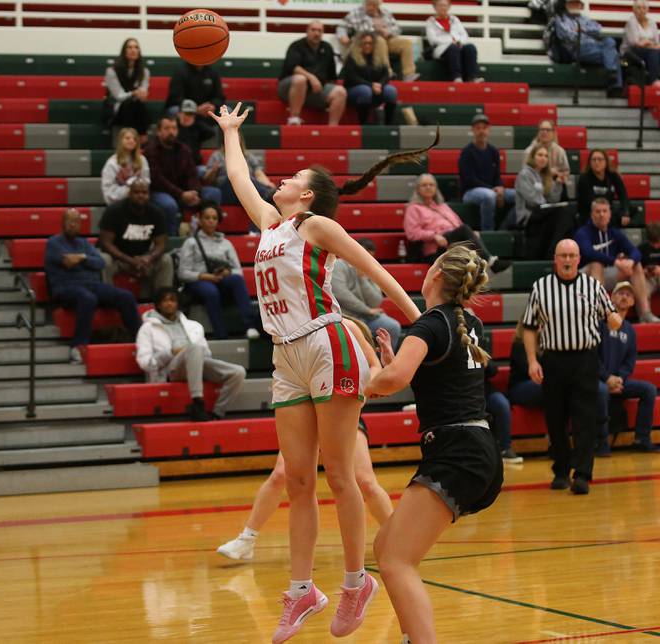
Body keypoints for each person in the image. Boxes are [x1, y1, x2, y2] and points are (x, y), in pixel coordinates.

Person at [210, 102, 425, 643]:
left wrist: (424, 325)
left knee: (339, 476)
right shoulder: (268, 222)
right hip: (285, 356)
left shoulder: (317, 225)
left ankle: (356, 583)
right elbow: (238, 175)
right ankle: (302, 589)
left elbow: (374, 270)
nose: (279, 180)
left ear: (306, 195)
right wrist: (231, 132)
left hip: (328, 344)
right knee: (298, 479)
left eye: (292, 177)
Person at [366, 244, 503, 644]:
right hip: (475, 447)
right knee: (385, 545)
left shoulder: (430, 324)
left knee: (395, 559)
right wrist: (395, 361)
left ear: (438, 276)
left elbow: (393, 381)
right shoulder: (469, 323)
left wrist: (361, 384)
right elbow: (433, 374)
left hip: (457, 451)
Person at [217, 319, 395, 561]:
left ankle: (398, 538)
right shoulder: (297, 333)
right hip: (306, 415)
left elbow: (375, 368)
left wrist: (364, 388)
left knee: (364, 480)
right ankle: (247, 539)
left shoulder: (345, 327)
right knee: (282, 474)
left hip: (339, 414)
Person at [522, 239, 622, 495]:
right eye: (563, 255)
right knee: (555, 418)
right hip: (553, 360)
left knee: (585, 419)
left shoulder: (593, 286)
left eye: (572, 255)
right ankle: (560, 471)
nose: (567, 260)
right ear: (555, 258)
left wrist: (615, 319)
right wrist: (533, 360)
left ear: (579, 259)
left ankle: (583, 475)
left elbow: (613, 319)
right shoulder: (540, 288)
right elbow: (530, 328)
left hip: (585, 360)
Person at [44, 208, 141, 364]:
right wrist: (85, 260)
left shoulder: (84, 244)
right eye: (70, 221)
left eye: (76, 221)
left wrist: (82, 258)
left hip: (91, 285)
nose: (73, 225)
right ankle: (78, 347)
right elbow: (67, 262)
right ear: (63, 223)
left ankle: (141, 341)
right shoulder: (54, 243)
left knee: (126, 296)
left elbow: (100, 263)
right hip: (65, 287)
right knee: (87, 298)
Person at [135, 287, 246, 422]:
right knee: (193, 348)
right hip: (171, 369)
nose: (169, 303)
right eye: (164, 301)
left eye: (172, 300)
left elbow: (206, 353)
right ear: (158, 304)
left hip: (196, 362)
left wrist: (193, 352)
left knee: (238, 372)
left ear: (178, 303)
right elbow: (145, 362)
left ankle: (217, 413)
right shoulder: (147, 328)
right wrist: (170, 353)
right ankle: (198, 402)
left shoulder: (194, 326)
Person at [177, 202, 260, 340]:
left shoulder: (225, 243)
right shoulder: (191, 242)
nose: (210, 221)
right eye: (207, 217)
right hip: (199, 282)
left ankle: (250, 326)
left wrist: (227, 273)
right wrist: (206, 276)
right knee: (211, 291)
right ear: (200, 219)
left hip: (221, 280)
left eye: (214, 218)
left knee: (237, 280)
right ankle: (221, 334)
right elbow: (183, 273)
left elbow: (237, 271)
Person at [596, 281, 659, 454]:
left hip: (618, 381)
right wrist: (606, 378)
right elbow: (591, 356)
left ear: (632, 302)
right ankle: (601, 444)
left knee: (649, 390)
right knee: (601, 391)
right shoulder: (599, 322)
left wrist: (620, 379)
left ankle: (641, 439)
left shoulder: (630, 330)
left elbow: (629, 361)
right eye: (620, 293)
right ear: (612, 298)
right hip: (597, 380)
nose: (624, 297)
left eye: (628, 295)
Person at [574, 198, 659, 323]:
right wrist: (616, 262)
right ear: (592, 215)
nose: (601, 214)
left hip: (608, 275)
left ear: (609, 214)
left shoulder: (614, 233)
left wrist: (630, 262)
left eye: (604, 211)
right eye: (598, 211)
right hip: (585, 277)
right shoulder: (583, 233)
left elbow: (635, 252)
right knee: (597, 264)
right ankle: (597, 315)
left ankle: (645, 314)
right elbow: (588, 253)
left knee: (636, 265)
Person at [403, 173, 510, 272]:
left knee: (469, 233)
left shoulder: (442, 206)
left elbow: (457, 224)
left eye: (431, 185)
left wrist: (471, 234)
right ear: (417, 189)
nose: (428, 187)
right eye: (424, 185)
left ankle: (483, 266)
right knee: (464, 230)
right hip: (436, 246)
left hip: (454, 242)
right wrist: (434, 236)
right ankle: (490, 262)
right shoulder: (413, 208)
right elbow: (412, 233)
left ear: (436, 188)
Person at [144, 116, 222, 236]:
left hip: (184, 192)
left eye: (174, 128)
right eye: (167, 128)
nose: (171, 132)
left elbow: (192, 174)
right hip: (159, 192)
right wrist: (182, 194)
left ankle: (207, 235)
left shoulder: (183, 149)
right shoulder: (151, 149)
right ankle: (171, 240)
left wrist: (195, 192)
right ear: (158, 131)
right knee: (169, 205)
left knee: (213, 193)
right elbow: (157, 179)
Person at [98, 179, 174, 296]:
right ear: (129, 193)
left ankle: (163, 303)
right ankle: (107, 299)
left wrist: (149, 258)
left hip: (143, 259)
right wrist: (129, 260)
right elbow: (106, 243)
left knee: (166, 260)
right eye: (137, 192)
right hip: (119, 259)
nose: (141, 196)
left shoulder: (156, 213)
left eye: (144, 193)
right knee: (104, 259)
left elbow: (161, 243)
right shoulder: (114, 211)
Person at [331, 239, 402, 346]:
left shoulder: (368, 269)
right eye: (363, 255)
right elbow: (341, 294)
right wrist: (367, 310)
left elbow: (376, 301)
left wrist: (363, 279)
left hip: (366, 317)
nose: (365, 259)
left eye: (369, 257)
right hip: (346, 316)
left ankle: (383, 362)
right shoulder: (339, 265)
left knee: (392, 326)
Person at [278, 21, 347, 126]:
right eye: (313, 30)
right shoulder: (297, 45)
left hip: (314, 91)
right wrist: (311, 78)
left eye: (319, 31)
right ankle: (294, 118)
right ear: (307, 31)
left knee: (340, 91)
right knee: (301, 79)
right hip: (290, 88)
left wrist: (327, 89)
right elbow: (292, 67)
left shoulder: (327, 47)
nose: (316, 33)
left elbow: (331, 75)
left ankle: (333, 128)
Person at [514, 145, 575, 260]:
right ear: (533, 157)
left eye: (546, 156)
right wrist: (548, 205)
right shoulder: (524, 174)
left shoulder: (544, 176)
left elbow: (553, 199)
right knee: (563, 214)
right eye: (540, 155)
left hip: (542, 212)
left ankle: (558, 251)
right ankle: (554, 252)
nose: (543, 158)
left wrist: (557, 183)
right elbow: (531, 200)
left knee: (566, 214)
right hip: (528, 215)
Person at [336, 0, 420, 82]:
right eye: (368, 4)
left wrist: (387, 31)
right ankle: (388, 73)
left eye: (373, 5)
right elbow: (341, 27)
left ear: (378, 5)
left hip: (387, 39)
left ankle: (408, 74)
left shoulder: (385, 13)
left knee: (406, 43)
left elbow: (397, 28)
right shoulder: (356, 13)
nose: (370, 7)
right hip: (367, 43)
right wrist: (343, 36)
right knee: (380, 41)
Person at [459, 114, 516, 231]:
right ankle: (488, 232)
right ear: (473, 130)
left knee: (519, 195)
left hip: (492, 189)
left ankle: (505, 227)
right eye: (478, 128)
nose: (481, 131)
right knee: (489, 196)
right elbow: (469, 179)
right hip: (470, 192)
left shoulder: (494, 151)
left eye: (484, 128)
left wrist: (499, 187)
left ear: (488, 130)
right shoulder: (466, 152)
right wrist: (493, 190)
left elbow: (497, 175)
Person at [554, 0, 623, 96]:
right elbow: (569, 36)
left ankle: (611, 73)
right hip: (578, 48)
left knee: (609, 41)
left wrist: (583, 29)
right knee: (614, 54)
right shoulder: (561, 19)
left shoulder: (584, 18)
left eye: (577, 3)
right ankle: (615, 84)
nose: (575, 5)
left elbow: (598, 29)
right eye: (572, 3)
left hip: (595, 46)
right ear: (566, 5)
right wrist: (584, 31)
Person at [340, 32, 399, 125]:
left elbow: (386, 75)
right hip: (354, 90)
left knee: (391, 91)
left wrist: (380, 84)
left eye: (370, 43)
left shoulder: (379, 57)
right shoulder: (351, 58)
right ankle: (363, 123)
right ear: (359, 44)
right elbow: (352, 77)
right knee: (365, 91)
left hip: (376, 88)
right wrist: (371, 85)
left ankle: (388, 124)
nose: (367, 46)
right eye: (365, 43)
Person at [203, 131, 275, 206]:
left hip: (247, 188)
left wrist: (267, 184)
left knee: (246, 179)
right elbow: (207, 180)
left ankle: (268, 193)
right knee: (236, 176)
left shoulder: (248, 156)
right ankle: (267, 195)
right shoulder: (217, 156)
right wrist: (213, 171)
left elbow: (259, 173)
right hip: (227, 189)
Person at [426, 0, 484, 83]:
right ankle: (457, 77)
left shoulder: (455, 19)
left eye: (445, 5)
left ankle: (472, 77)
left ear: (449, 7)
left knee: (470, 48)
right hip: (442, 48)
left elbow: (464, 34)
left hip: (458, 45)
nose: (443, 8)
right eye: (440, 5)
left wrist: (459, 42)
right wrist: (450, 42)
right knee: (453, 48)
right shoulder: (430, 22)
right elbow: (432, 39)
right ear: (435, 7)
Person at [104, 38, 150, 139]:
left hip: (136, 106)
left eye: (136, 47)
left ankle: (140, 136)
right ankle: (138, 136)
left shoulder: (144, 71)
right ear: (124, 51)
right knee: (130, 104)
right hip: (117, 107)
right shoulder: (112, 71)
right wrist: (134, 93)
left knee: (138, 104)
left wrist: (140, 94)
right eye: (129, 47)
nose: (133, 50)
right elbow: (119, 96)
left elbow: (143, 92)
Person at [576, 149, 631, 226]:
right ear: (590, 163)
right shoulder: (584, 178)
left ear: (606, 162)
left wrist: (625, 212)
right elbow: (589, 203)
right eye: (594, 160)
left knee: (629, 211)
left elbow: (623, 195)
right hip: (590, 215)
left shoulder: (613, 176)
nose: (597, 162)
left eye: (600, 159)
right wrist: (605, 212)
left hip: (608, 212)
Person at [484, 358, 524, 464]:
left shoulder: (480, 343)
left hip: (484, 390)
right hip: (464, 393)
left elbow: (494, 370)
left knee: (502, 404)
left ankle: (505, 449)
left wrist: (486, 364)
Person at [100, 127, 150, 206]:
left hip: (139, 202)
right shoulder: (112, 163)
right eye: (127, 138)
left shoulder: (142, 160)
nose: (131, 141)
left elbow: (146, 182)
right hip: (118, 202)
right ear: (120, 141)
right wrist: (129, 187)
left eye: (134, 139)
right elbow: (108, 191)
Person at [622, 0, 660, 86]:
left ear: (647, 10)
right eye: (638, 8)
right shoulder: (631, 22)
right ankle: (654, 80)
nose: (641, 10)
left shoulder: (652, 23)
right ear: (634, 10)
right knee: (653, 53)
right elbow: (635, 42)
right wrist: (650, 44)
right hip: (631, 52)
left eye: (644, 8)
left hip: (648, 50)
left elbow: (657, 41)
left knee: (656, 52)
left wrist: (646, 42)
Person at [507, 321, 544, 410]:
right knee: (549, 387)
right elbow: (529, 371)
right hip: (519, 387)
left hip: (539, 384)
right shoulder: (519, 345)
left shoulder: (545, 344)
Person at [523, 119, 571, 186]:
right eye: (542, 129)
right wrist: (547, 172)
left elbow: (566, 172)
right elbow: (524, 174)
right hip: (534, 185)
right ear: (538, 132)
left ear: (553, 133)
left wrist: (559, 175)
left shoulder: (560, 151)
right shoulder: (529, 151)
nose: (544, 132)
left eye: (548, 130)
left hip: (555, 184)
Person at [177, 99, 217, 169]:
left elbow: (211, 132)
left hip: (195, 165)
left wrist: (195, 121)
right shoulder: (174, 127)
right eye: (186, 114)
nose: (189, 117)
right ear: (179, 113)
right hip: (177, 165)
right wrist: (181, 124)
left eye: (191, 114)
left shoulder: (197, 127)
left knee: (203, 170)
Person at [638, 222, 660, 299]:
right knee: (643, 292)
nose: (656, 246)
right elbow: (636, 267)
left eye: (657, 242)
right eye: (652, 243)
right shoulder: (641, 248)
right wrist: (643, 271)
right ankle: (646, 311)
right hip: (647, 278)